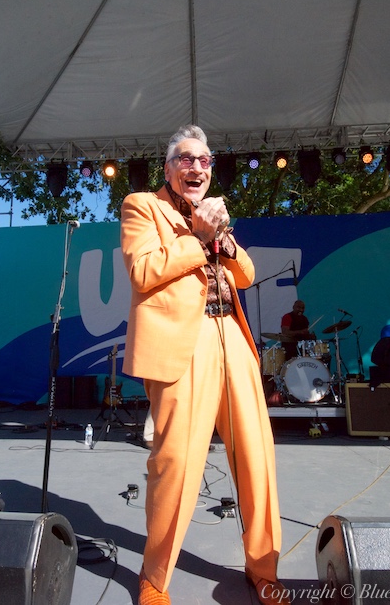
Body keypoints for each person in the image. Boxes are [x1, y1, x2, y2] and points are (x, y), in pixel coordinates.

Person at [121, 125, 289, 605]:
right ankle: (155, 579)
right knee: (175, 462)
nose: (197, 167)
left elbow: (248, 274)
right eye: (187, 159)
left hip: (230, 336)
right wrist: (198, 234)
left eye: (205, 161)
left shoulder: (215, 214)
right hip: (184, 343)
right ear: (169, 166)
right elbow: (143, 270)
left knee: (256, 456)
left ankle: (264, 568)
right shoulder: (141, 206)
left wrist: (225, 240)